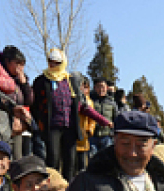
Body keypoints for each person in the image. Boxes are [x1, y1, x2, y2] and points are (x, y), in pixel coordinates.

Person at [31, 49, 108, 180]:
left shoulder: (70, 81)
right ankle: (52, 187)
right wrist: (40, 123)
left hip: (70, 127)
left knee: (70, 161)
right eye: (51, 62)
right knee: (53, 158)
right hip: (52, 127)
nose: (53, 65)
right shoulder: (40, 81)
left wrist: (102, 120)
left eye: (56, 62)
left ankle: (68, 190)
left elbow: (82, 106)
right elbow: (35, 105)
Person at [91, 79, 118, 154]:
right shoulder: (90, 101)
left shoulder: (111, 102)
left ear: (107, 87)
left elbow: (116, 118)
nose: (101, 89)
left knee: (107, 160)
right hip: (92, 136)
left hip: (107, 136)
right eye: (98, 87)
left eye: (103, 87)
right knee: (93, 160)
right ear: (94, 88)